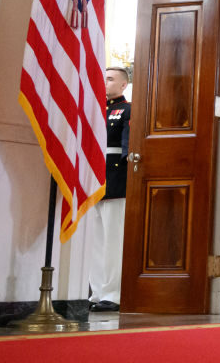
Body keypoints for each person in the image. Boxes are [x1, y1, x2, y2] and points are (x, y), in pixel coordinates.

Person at [89, 66, 131, 312]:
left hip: (115, 177)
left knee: (113, 239)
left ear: (123, 85)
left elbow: (127, 148)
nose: (104, 82)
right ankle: (95, 292)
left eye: (110, 78)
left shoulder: (127, 109)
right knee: (96, 239)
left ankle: (112, 294)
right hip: (94, 176)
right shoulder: (96, 109)